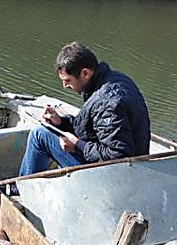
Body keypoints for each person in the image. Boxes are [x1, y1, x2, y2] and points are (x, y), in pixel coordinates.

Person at [18, 42, 151, 177]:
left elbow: (119, 156)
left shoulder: (106, 103)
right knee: (49, 130)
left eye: (68, 80)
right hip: (134, 165)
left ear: (85, 73)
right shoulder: (116, 80)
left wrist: (77, 145)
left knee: (39, 135)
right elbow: (93, 128)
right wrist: (61, 123)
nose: (64, 86)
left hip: (117, 175)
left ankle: (20, 189)